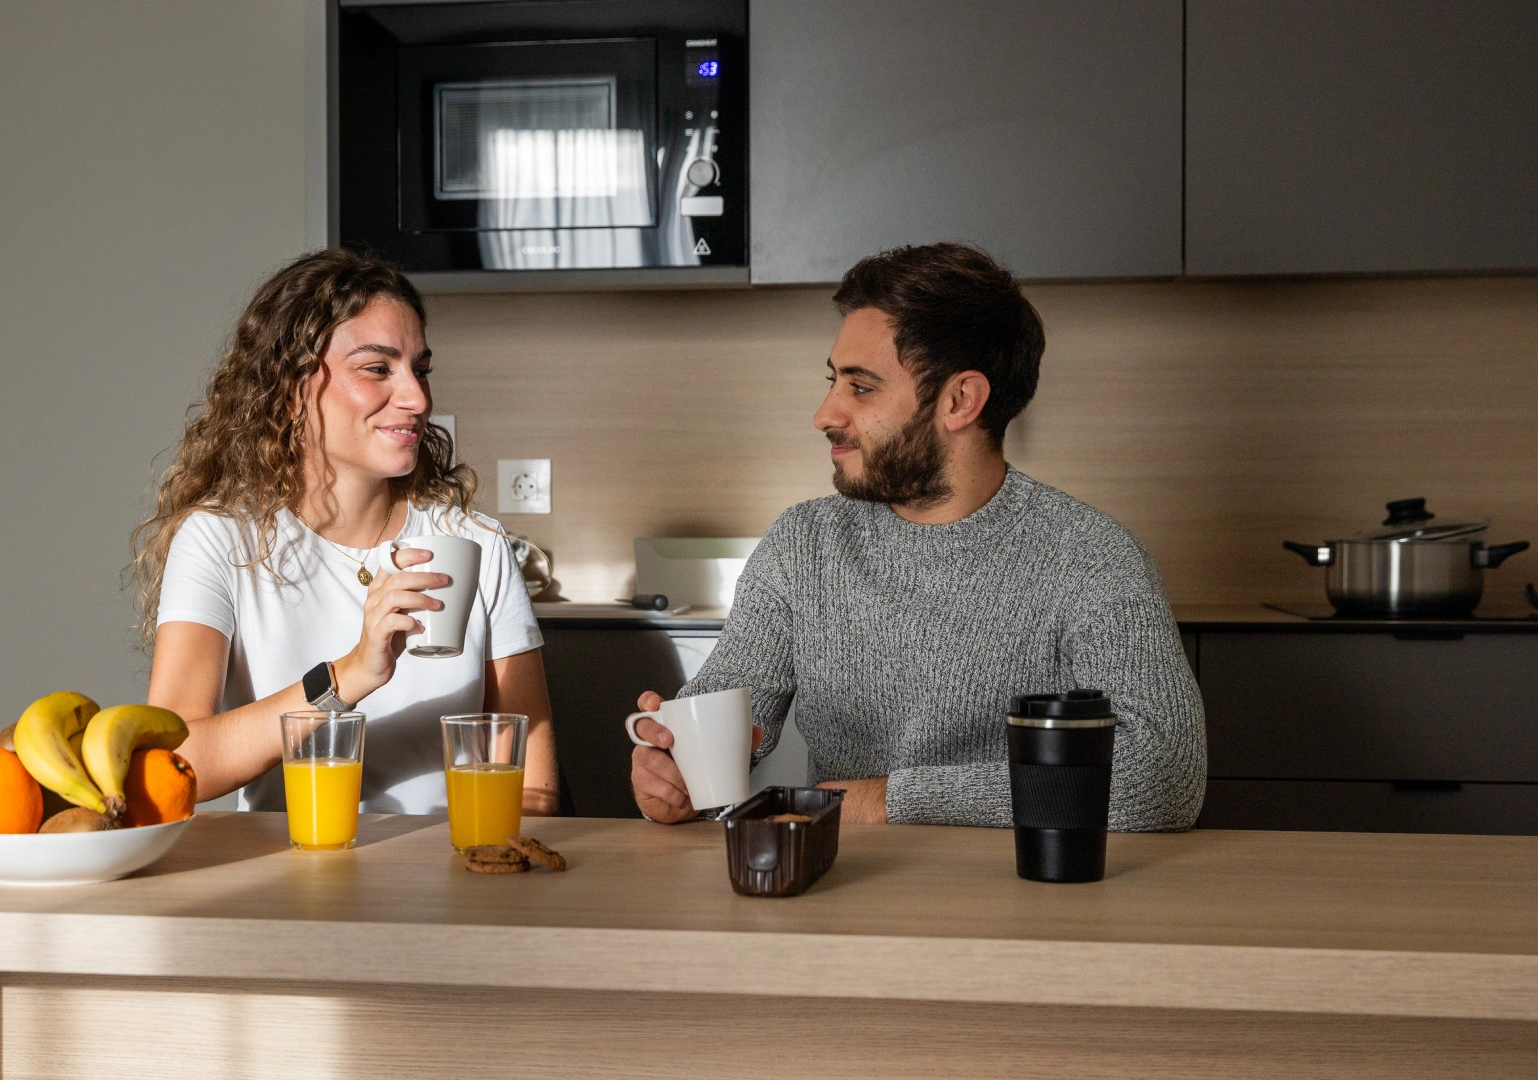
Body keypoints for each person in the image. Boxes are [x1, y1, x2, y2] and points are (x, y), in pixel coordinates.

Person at [629, 243, 1205, 829]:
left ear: (960, 400)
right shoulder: (803, 546)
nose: (824, 414)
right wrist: (674, 771)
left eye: (860, 387)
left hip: (1020, 881)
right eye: (833, 381)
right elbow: (723, 711)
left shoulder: (1093, 558)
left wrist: (894, 800)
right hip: (844, 879)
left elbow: (1165, 775)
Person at [134, 249, 559, 816]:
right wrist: (352, 674)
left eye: (421, 370)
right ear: (290, 389)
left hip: (454, 867)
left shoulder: (475, 544)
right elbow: (175, 759)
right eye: (378, 368)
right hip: (292, 867)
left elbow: (535, 790)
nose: (417, 398)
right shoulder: (219, 540)